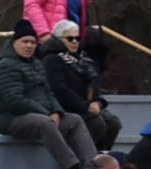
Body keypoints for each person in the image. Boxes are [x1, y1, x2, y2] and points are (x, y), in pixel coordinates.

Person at [0, 19, 97, 169]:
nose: (29, 46)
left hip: (41, 115)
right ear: (14, 43)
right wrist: (47, 114)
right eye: (25, 42)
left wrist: (57, 111)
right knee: (45, 123)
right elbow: (14, 101)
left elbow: (49, 93)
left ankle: (92, 166)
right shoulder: (6, 66)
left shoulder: (37, 64)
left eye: (33, 42)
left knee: (74, 120)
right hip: (11, 118)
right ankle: (72, 166)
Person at [39, 19, 118, 152]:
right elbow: (59, 89)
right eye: (70, 38)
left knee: (113, 123)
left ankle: (100, 155)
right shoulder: (52, 59)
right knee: (96, 123)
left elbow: (93, 84)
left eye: (77, 38)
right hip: (66, 108)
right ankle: (85, 156)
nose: (75, 41)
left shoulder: (84, 60)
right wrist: (86, 106)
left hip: (86, 106)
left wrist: (98, 102)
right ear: (59, 39)